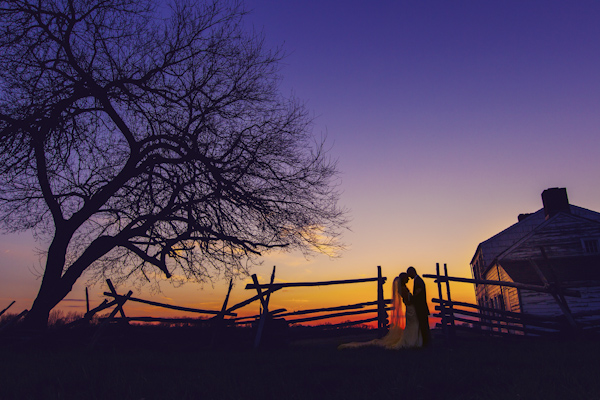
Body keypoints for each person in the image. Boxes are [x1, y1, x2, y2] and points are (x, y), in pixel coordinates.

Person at [338, 273, 422, 350]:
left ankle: (413, 341)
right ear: (403, 279)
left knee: (412, 326)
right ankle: (410, 341)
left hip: (411, 309)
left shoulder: (403, 288)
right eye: (406, 278)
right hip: (410, 309)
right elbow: (408, 301)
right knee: (412, 325)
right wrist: (416, 296)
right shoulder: (403, 289)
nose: (408, 279)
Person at [407, 266, 430, 347]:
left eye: (409, 274)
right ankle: (425, 342)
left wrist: (409, 298)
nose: (409, 277)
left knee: (424, 325)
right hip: (421, 307)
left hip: (421, 308)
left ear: (412, 272)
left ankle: (426, 343)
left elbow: (417, 293)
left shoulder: (418, 281)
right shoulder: (417, 280)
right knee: (423, 325)